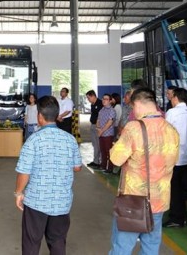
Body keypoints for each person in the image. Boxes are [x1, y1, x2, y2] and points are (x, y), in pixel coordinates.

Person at [109, 87, 179, 255]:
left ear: (138, 104)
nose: (134, 111)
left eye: (133, 107)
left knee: (122, 248)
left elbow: (116, 159)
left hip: (134, 201)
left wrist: (114, 148)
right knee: (151, 247)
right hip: (159, 200)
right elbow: (173, 161)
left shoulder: (134, 128)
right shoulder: (171, 129)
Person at [14, 95, 82, 254]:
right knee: (58, 242)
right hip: (61, 202)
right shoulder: (70, 139)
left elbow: (24, 172)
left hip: (36, 201)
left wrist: (18, 193)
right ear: (56, 115)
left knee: (31, 242)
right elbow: (77, 167)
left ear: (39, 116)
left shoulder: (33, 140)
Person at [163, 87, 187, 228]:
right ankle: (182, 216)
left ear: (175, 97)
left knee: (174, 189)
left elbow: (166, 133)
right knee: (181, 189)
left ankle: (177, 218)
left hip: (173, 156)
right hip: (185, 155)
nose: (170, 99)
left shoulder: (172, 112)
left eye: (171, 97)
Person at [97, 94, 116, 174]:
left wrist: (102, 131)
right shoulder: (102, 110)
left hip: (108, 134)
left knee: (109, 152)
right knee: (103, 151)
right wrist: (98, 129)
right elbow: (98, 120)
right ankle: (103, 166)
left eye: (106, 99)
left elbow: (110, 122)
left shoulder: (112, 110)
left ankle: (110, 168)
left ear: (110, 101)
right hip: (101, 134)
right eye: (103, 98)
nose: (104, 100)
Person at [86, 90, 103, 168]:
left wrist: (98, 127)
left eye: (89, 98)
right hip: (92, 125)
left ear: (93, 96)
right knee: (94, 144)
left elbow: (100, 117)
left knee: (98, 144)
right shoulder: (92, 104)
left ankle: (99, 162)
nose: (88, 99)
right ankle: (95, 161)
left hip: (97, 126)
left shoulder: (100, 103)